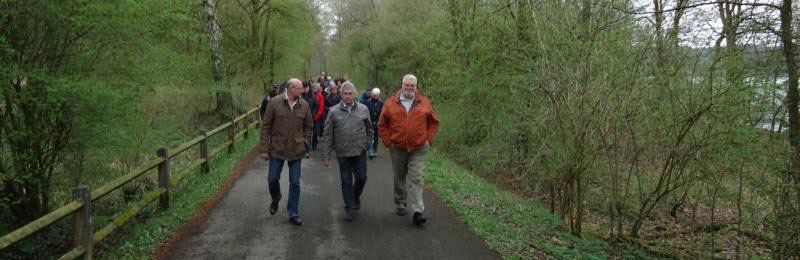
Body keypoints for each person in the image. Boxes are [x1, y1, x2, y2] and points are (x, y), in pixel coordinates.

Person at [377, 74, 439, 226]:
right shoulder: (391, 103)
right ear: (402, 85)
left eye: (413, 85)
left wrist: (428, 139)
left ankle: (418, 211)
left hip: (419, 147)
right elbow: (382, 124)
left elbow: (434, 123)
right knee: (400, 177)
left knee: (416, 177)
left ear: (416, 86)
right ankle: (400, 202)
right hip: (397, 147)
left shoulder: (424, 102)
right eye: (407, 85)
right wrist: (388, 140)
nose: (410, 88)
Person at [260, 78, 314, 226]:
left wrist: (305, 141)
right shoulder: (274, 103)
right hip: (277, 148)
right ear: (290, 89)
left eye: (302, 88)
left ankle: (293, 212)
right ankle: (276, 197)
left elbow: (309, 125)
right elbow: (265, 126)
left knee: (295, 183)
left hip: (296, 149)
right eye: (298, 88)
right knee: (272, 179)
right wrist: (264, 148)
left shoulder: (304, 105)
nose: (302, 90)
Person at [320, 81, 373, 222]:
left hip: (359, 151)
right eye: (345, 94)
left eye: (350, 94)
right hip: (343, 152)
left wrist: (366, 145)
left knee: (362, 178)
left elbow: (370, 130)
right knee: (346, 180)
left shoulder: (363, 109)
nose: (348, 96)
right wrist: (326, 155)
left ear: (354, 94)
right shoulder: (333, 111)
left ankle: (355, 197)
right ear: (341, 95)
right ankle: (349, 207)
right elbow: (327, 135)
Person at [302, 81, 320, 157]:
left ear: (309, 88)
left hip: (310, 118)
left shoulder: (313, 96)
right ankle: (302, 149)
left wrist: (312, 115)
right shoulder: (300, 96)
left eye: (306, 88)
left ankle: (307, 150)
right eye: (304, 88)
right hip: (301, 118)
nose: (305, 89)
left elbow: (316, 106)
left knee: (308, 134)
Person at [364, 88, 383, 158]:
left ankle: (375, 150)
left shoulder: (381, 103)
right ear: (372, 95)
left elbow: (382, 113)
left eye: (376, 95)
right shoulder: (367, 102)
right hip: (370, 122)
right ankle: (370, 151)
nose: (375, 96)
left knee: (376, 137)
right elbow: (365, 112)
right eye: (374, 95)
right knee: (370, 137)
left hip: (378, 122)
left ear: (379, 95)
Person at [312, 84, 325, 150]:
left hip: (317, 117)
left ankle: (314, 144)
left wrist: (317, 116)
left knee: (315, 131)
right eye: (313, 88)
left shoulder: (320, 96)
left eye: (315, 88)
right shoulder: (311, 95)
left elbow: (321, 107)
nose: (314, 89)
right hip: (310, 116)